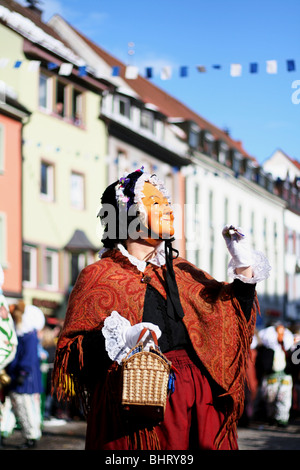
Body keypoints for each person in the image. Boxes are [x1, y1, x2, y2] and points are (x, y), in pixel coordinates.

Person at [52, 167, 270, 450]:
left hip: (200, 400)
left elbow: (230, 316)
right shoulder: (99, 275)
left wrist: (243, 267)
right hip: (139, 398)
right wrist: (119, 340)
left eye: (167, 204)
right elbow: (73, 354)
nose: (168, 210)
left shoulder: (182, 271)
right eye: (156, 204)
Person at [3, 301, 45, 448]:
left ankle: (32, 436)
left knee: (25, 408)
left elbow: (29, 357)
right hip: (17, 376)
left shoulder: (29, 336)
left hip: (25, 379)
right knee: (14, 406)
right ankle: (5, 431)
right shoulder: (22, 334)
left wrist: (22, 372)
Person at [256, 323, 294, 427]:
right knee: (270, 397)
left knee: (284, 398)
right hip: (271, 376)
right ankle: (272, 417)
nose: (280, 335)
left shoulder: (288, 348)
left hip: (285, 375)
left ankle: (282, 419)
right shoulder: (267, 348)